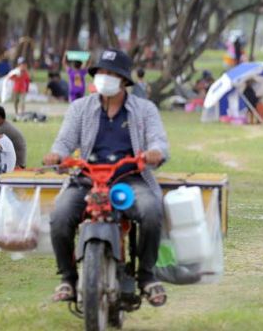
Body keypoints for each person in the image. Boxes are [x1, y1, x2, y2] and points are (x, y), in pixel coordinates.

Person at [43, 49, 170, 306]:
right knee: (59, 216)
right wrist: (56, 155)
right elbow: (65, 141)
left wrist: (155, 152)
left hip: (131, 178)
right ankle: (68, 278)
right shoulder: (80, 107)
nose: (105, 78)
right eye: (102, 72)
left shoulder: (144, 109)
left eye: (112, 74)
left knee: (152, 211)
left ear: (124, 80)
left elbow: (158, 140)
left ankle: (146, 276)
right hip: (87, 178)